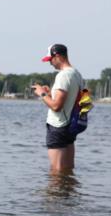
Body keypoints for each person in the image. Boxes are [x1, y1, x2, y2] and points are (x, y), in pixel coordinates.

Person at [31, 44, 84, 173]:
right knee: (68, 170)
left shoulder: (63, 76)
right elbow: (69, 101)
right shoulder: (77, 74)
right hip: (70, 126)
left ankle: (56, 193)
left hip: (58, 127)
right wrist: (49, 94)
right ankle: (68, 192)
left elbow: (56, 106)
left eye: (50, 59)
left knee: (56, 171)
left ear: (58, 56)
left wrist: (41, 93)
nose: (50, 63)